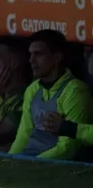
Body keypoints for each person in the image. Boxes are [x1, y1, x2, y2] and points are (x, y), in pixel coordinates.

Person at [7, 29, 93, 159]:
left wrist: (33, 164)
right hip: (28, 160)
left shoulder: (75, 91)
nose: (31, 60)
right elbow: (23, 136)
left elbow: (68, 148)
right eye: (30, 54)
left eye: (38, 54)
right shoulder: (33, 89)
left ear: (57, 57)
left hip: (52, 166)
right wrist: (9, 161)